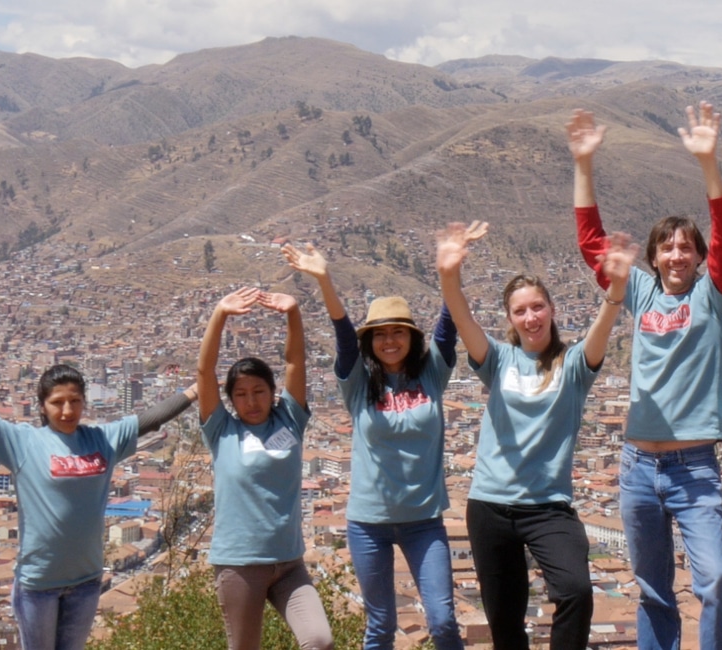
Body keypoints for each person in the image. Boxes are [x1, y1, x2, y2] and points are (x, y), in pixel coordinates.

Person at [0, 354, 195, 650]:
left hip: (86, 580)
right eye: (57, 403)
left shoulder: (103, 439)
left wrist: (197, 388)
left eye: (75, 401)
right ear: (42, 406)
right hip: (39, 583)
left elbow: (152, 418)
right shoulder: (23, 442)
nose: (67, 411)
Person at [567, 103, 722, 650]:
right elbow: (592, 244)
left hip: (695, 470)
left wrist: (709, 164)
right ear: (653, 256)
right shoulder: (638, 292)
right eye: (667, 246)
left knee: (714, 580)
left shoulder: (713, 298)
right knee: (654, 590)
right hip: (638, 467)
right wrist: (584, 165)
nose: (677, 254)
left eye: (687, 246)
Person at [436, 221, 636, 650]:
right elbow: (462, 315)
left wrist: (616, 288)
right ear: (510, 319)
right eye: (521, 311)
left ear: (551, 310)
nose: (531, 317)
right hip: (490, 505)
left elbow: (603, 327)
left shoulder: (574, 364)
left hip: (548, 507)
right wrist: (448, 273)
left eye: (538, 307)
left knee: (576, 590)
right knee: (506, 624)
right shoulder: (497, 359)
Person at [283, 243, 464, 650]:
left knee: (443, 620)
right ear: (370, 342)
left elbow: (448, 325)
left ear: (411, 337)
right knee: (380, 627)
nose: (389, 340)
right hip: (368, 524)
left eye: (398, 331)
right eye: (379, 334)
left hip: (424, 521)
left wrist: (450, 273)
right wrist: (324, 279)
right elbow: (343, 336)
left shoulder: (432, 373)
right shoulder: (358, 384)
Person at [195, 288, 333, 650]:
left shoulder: (289, 420)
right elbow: (204, 370)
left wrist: (293, 314)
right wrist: (220, 313)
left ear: (273, 392)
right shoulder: (222, 430)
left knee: (319, 640)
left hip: (289, 563)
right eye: (240, 394)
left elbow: (296, 363)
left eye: (259, 391)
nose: (251, 401)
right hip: (239, 564)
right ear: (230, 399)